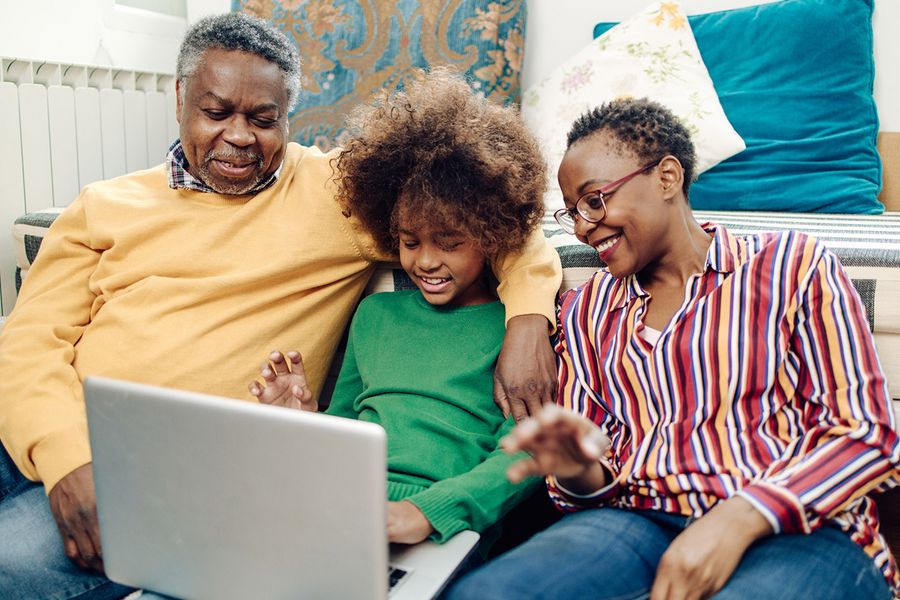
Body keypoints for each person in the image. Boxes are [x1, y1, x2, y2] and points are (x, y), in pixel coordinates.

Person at [0, 13, 561, 600]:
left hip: (158, 473)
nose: (240, 137)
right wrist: (67, 458)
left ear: (287, 116)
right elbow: (28, 342)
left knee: (12, 564)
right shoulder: (103, 206)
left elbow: (498, 223)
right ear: (178, 99)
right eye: (216, 112)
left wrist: (526, 319)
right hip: (57, 434)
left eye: (263, 119)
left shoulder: (338, 194)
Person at [446, 98, 900, 600]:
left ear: (666, 178)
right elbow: (593, 486)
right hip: (639, 522)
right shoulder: (587, 310)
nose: (580, 227)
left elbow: (866, 435)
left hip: (799, 528)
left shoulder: (791, 264)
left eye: (594, 200)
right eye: (571, 211)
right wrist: (575, 467)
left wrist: (738, 518)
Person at [248, 68, 546, 547]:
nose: (425, 261)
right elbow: (343, 430)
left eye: (449, 242)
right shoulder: (375, 316)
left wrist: (427, 512)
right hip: (342, 504)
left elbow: (528, 454)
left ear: (493, 233)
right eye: (409, 242)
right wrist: (305, 419)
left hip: (445, 522)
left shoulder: (512, 333)